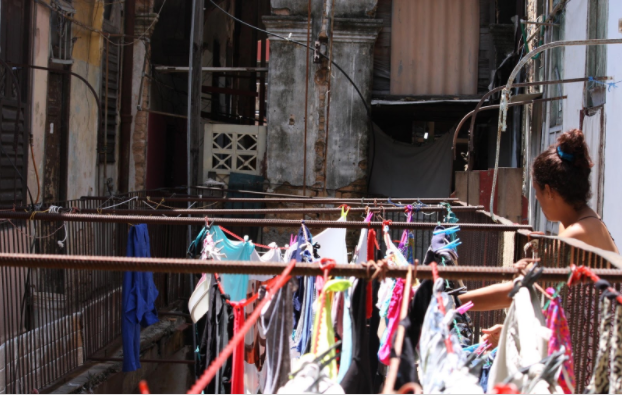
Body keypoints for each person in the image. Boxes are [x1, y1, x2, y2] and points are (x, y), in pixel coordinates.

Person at [458, 129, 619, 346]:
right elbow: (551, 294)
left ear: (550, 191)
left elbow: (517, 289)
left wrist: (455, 302)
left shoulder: (576, 234)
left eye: (537, 190)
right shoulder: (580, 222)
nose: (536, 198)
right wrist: (508, 330)